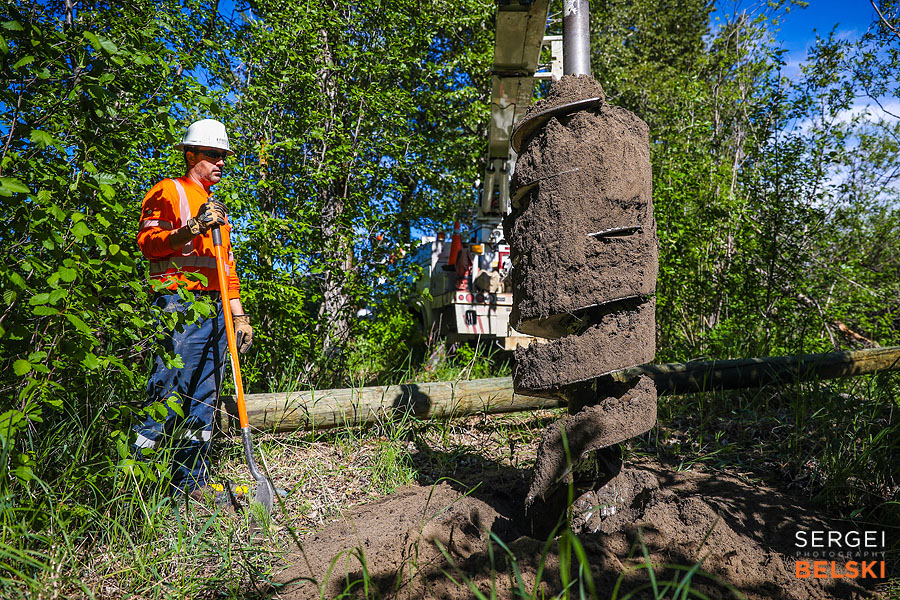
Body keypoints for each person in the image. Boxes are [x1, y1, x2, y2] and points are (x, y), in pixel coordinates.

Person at [133, 119, 253, 500]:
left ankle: (191, 483)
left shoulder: (217, 209)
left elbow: (225, 268)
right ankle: (140, 485)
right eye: (213, 155)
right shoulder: (169, 191)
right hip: (179, 306)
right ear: (191, 155)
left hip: (216, 309)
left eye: (224, 157)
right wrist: (193, 228)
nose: (221, 163)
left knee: (204, 397)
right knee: (169, 389)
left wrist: (238, 314)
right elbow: (150, 244)